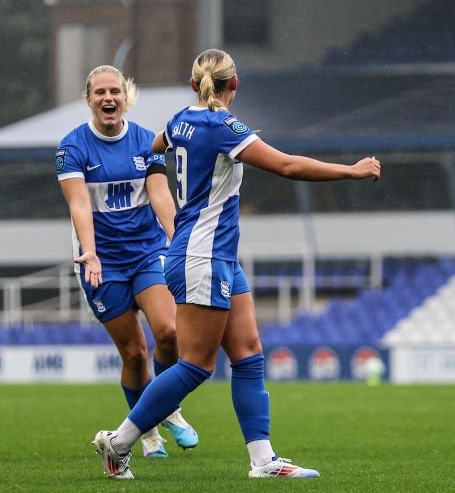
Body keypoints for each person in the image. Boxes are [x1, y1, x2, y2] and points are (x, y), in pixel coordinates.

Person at [91, 48, 381, 480]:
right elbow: (286, 165)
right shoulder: (223, 125)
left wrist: (159, 187)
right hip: (203, 255)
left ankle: (263, 461)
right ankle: (118, 444)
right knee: (196, 365)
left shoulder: (178, 120)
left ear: (194, 84)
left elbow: (152, 152)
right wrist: (351, 171)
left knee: (248, 355)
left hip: (216, 254)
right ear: (235, 84)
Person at [56, 65, 199, 458]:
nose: (108, 98)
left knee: (169, 332)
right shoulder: (72, 148)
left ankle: (170, 408)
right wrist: (91, 252)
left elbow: (160, 195)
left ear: (125, 96)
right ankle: (147, 431)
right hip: (101, 261)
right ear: (89, 99)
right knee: (134, 353)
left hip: (147, 252)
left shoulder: (145, 141)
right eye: (100, 92)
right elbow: (80, 205)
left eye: (115, 91)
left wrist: (178, 240)